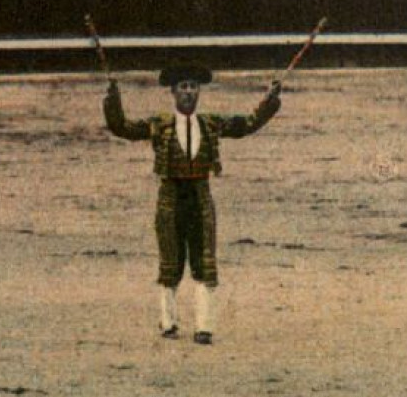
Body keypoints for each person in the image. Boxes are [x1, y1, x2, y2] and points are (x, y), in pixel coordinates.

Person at [103, 64, 282, 344]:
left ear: (198, 91)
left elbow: (247, 125)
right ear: (173, 92)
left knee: (205, 262)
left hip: (200, 195)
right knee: (170, 262)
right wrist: (112, 99)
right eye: (183, 87)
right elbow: (121, 127)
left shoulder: (210, 123)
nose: (188, 92)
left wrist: (270, 101)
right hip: (170, 196)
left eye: (193, 86)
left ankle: (204, 327)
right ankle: (168, 323)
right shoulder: (159, 124)